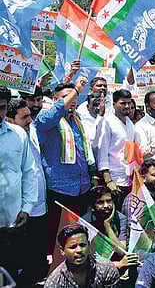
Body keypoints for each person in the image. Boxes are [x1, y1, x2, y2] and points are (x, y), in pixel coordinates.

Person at [35, 78, 95, 256]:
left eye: (74, 97)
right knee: (59, 237)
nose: (72, 100)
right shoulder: (45, 120)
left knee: (78, 237)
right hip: (60, 191)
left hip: (81, 188)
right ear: (55, 100)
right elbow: (54, 113)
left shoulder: (77, 120)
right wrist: (76, 89)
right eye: (66, 97)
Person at [6, 98, 48, 284]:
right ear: (9, 120)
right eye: (24, 117)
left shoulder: (30, 132)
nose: (30, 121)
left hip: (38, 203)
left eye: (30, 115)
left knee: (36, 251)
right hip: (18, 209)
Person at [0, 88, 37, 281]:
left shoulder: (18, 135)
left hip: (12, 222)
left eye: (2, 108)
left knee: (9, 274)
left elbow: (30, 172)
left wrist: (26, 208)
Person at [44, 224, 120, 287]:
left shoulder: (106, 268)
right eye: (73, 247)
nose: (79, 250)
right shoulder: (54, 282)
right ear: (62, 250)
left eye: (82, 245)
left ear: (89, 245)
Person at [85, 186, 140, 271]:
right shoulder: (86, 222)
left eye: (109, 201)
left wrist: (107, 225)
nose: (106, 205)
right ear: (93, 206)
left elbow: (121, 251)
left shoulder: (120, 218)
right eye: (100, 202)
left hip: (116, 260)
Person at [98, 89, 135, 210]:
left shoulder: (130, 123)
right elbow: (102, 153)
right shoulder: (108, 123)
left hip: (128, 178)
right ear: (114, 104)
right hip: (114, 180)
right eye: (123, 103)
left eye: (129, 103)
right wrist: (109, 181)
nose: (127, 106)